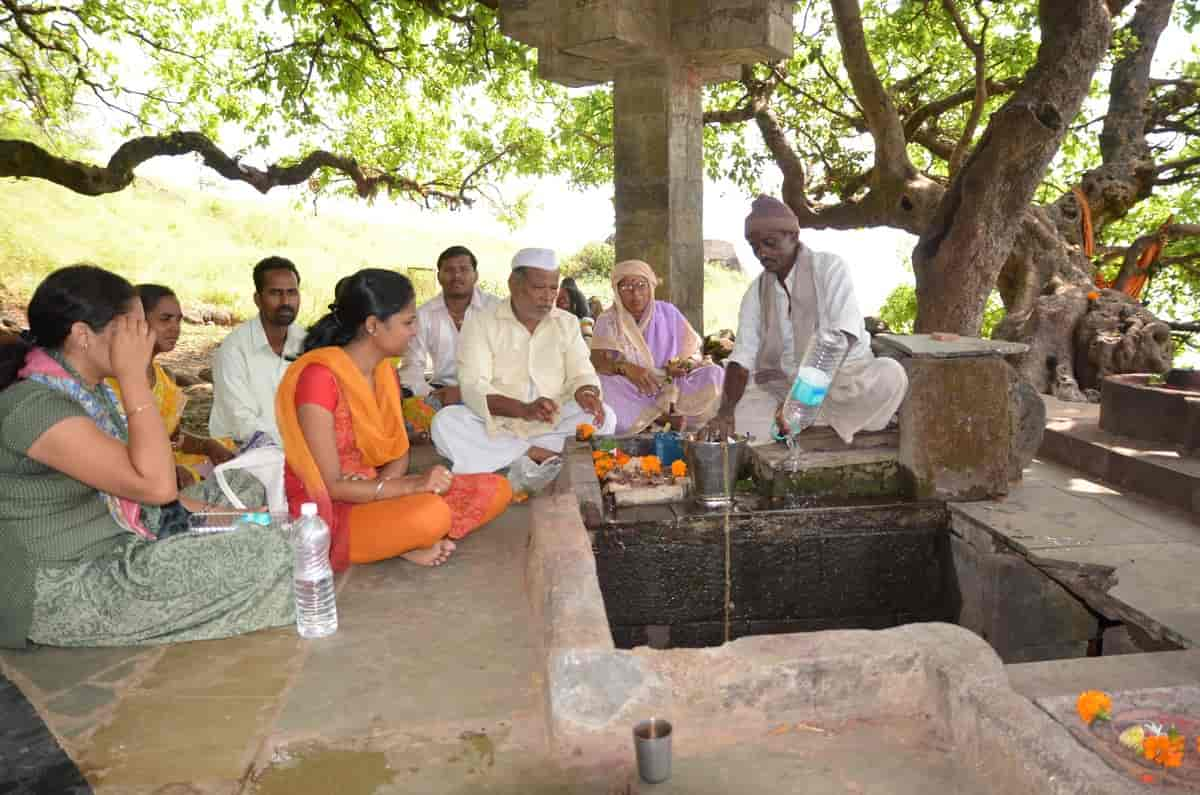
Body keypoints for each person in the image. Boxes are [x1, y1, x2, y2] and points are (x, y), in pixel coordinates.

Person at [0, 265, 294, 649]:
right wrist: (134, 378)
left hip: (125, 533)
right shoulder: (35, 408)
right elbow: (155, 488)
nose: (148, 337)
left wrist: (254, 519)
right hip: (64, 584)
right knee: (279, 551)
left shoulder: (91, 392)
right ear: (82, 335)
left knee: (254, 492)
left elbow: (156, 495)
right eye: (135, 328)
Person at [275, 269, 511, 570]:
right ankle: (406, 540)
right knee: (431, 514)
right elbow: (331, 486)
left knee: (496, 489)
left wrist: (388, 492)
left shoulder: (385, 372)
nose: (414, 331)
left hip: (375, 490)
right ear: (373, 325)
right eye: (408, 322)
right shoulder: (319, 378)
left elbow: (398, 453)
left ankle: (402, 538)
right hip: (330, 511)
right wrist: (410, 488)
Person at [703, 195, 908, 445]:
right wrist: (725, 413)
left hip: (843, 382)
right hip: (783, 388)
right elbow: (742, 357)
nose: (761, 253)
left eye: (769, 243)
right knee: (724, 409)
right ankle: (808, 421)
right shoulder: (756, 292)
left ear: (793, 236)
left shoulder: (830, 267)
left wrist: (801, 402)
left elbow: (843, 337)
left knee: (890, 375)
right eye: (754, 246)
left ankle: (803, 419)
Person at [431, 248, 615, 474]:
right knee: (446, 423)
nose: (548, 296)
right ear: (513, 285)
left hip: (554, 421)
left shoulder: (566, 323)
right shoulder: (481, 322)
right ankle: (541, 455)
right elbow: (472, 385)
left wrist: (587, 393)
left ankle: (514, 455)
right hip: (500, 424)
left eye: (553, 288)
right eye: (538, 287)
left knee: (606, 417)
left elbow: (582, 372)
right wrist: (522, 409)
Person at [108, 285, 235, 488]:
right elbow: (114, 448)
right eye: (165, 319)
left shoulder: (162, 377)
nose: (175, 328)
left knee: (227, 449)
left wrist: (207, 445)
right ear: (136, 321)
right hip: (130, 471)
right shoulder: (111, 380)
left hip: (165, 461)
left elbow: (174, 437)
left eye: (179, 320)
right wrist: (168, 469)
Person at [590, 259, 725, 434]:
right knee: (602, 384)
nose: (635, 294)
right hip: (633, 388)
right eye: (626, 288)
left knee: (714, 374)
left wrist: (684, 366)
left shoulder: (668, 312)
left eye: (641, 285)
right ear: (617, 291)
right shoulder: (608, 320)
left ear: (651, 287)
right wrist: (625, 368)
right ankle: (660, 418)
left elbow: (694, 354)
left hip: (672, 383)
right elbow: (598, 363)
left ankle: (667, 416)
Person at [209, 256, 306, 445]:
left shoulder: (307, 343)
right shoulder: (234, 350)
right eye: (275, 293)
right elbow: (242, 425)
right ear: (258, 299)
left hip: (297, 453)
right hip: (243, 454)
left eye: (292, 292)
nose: (285, 301)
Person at [398, 245, 498, 408]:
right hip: (440, 393)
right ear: (439, 276)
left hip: (490, 393)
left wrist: (465, 393)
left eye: (464, 269)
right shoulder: (424, 314)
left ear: (476, 275)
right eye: (449, 270)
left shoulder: (496, 309)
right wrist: (432, 394)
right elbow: (412, 366)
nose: (457, 275)